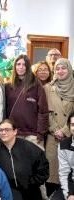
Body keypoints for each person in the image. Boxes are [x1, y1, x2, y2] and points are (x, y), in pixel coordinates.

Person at [0, 119, 49, 200]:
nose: (3, 133)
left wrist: (31, 184)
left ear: (15, 131)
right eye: (0, 130)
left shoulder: (29, 148)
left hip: (30, 193)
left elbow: (43, 170)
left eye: (7, 130)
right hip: (7, 194)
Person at [44, 58, 74, 196]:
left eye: (63, 68)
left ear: (69, 69)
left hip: (70, 134)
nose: (60, 71)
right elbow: (44, 111)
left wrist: (65, 130)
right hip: (53, 136)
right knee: (52, 171)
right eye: (57, 69)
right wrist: (55, 129)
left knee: (69, 171)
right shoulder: (48, 88)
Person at [5, 54, 48, 149]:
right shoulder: (8, 86)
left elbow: (43, 111)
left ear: (28, 67)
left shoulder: (36, 85)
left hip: (33, 135)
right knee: (17, 163)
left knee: (36, 162)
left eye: (24, 65)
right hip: (14, 133)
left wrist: (40, 133)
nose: (21, 67)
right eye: (18, 64)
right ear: (14, 66)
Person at [58, 112, 74, 200]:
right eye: (73, 125)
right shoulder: (63, 145)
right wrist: (68, 194)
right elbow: (64, 173)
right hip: (71, 184)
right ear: (68, 126)